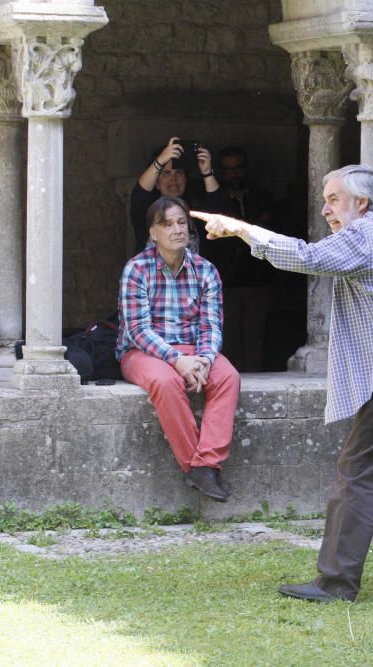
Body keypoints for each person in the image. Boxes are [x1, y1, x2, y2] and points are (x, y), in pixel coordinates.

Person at [196, 164, 373, 603]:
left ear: (362, 204)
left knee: (358, 474)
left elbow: (308, 258)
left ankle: (335, 581)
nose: (326, 209)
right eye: (325, 200)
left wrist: (241, 229)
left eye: (333, 199)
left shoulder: (367, 233)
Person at [116, 196, 240, 502]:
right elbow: (138, 330)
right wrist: (179, 361)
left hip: (193, 350)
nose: (177, 230)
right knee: (165, 381)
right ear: (153, 233)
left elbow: (211, 326)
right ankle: (196, 466)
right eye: (167, 224)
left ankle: (206, 463)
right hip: (142, 352)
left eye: (182, 222)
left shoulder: (206, 271)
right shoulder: (137, 269)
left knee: (228, 377)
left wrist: (206, 360)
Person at [215, 145, 276, 372]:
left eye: (238, 167)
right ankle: (230, 378)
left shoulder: (261, 197)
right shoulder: (218, 200)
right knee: (227, 336)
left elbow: (269, 232)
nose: (234, 173)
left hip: (258, 280)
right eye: (228, 169)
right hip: (226, 282)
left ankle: (254, 377)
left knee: (255, 336)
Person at [128, 136, 227, 252]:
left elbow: (220, 213)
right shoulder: (147, 211)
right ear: (156, 183)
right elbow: (139, 196)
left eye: (178, 173)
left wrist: (207, 173)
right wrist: (160, 161)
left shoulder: (196, 211)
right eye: (166, 173)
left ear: (186, 179)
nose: (173, 179)